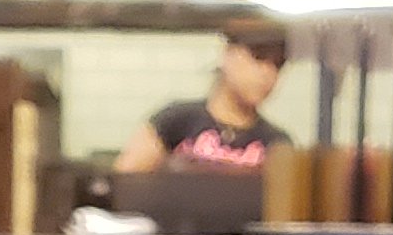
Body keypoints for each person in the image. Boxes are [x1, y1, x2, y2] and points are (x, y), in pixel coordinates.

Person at [114, 19, 292, 175]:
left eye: (278, 64)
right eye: (259, 57)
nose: (268, 73)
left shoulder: (277, 144)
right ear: (227, 54)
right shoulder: (175, 122)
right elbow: (125, 184)